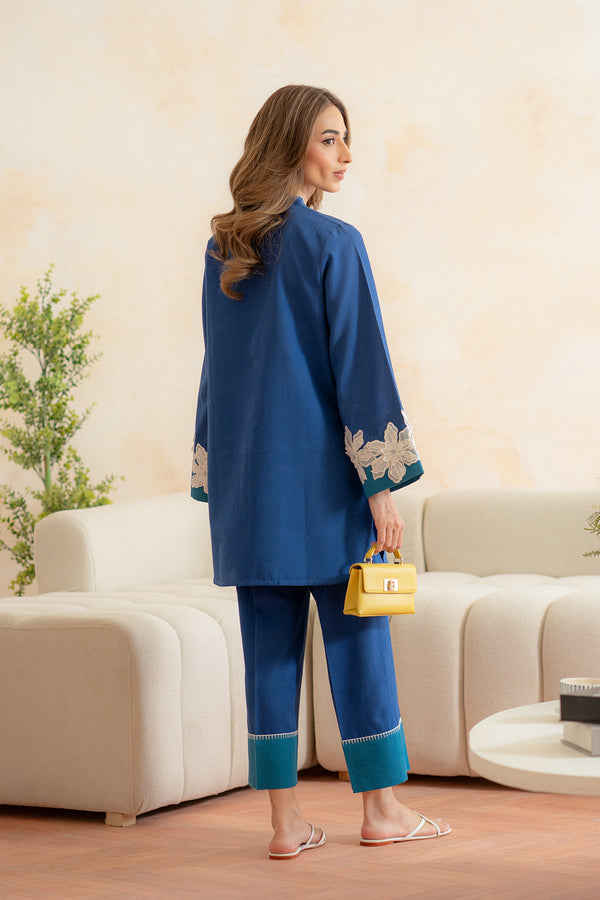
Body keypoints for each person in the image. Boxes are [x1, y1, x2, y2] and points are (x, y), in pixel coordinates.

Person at [191, 84, 451, 859]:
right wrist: (380, 488)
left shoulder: (224, 249)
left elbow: (216, 372)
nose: (346, 155)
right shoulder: (335, 242)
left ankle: (285, 826)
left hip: (248, 492)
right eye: (330, 138)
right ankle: (382, 812)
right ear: (290, 145)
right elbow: (360, 369)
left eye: (345, 138)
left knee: (267, 652)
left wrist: (211, 473)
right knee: (360, 640)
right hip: (326, 490)